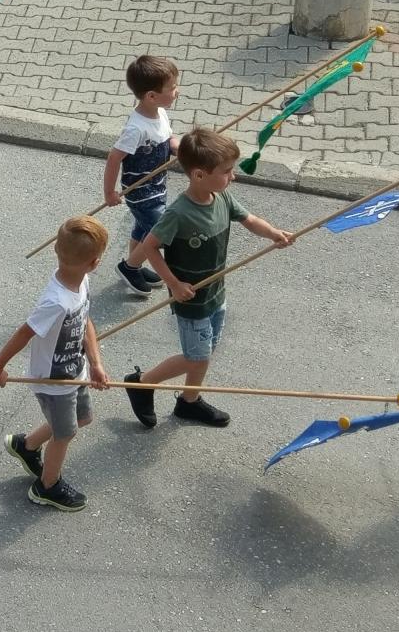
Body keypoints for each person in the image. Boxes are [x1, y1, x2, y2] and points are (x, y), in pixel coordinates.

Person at [120, 127, 292, 429]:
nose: (233, 176)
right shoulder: (179, 213)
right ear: (199, 175)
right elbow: (149, 248)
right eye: (226, 171)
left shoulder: (222, 197)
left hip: (215, 294)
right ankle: (142, 383)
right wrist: (174, 284)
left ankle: (189, 402)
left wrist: (273, 234)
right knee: (196, 357)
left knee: (204, 352)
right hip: (191, 300)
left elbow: (250, 220)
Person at [0, 216, 110, 512]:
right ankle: (47, 486)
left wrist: (95, 363)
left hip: (75, 372)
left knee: (81, 419)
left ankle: (26, 445)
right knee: (65, 434)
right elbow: (24, 333)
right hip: (53, 382)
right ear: (94, 262)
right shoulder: (55, 302)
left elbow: (85, 321)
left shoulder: (81, 283)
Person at [105, 53, 178, 296]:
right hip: (140, 192)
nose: (177, 91)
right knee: (160, 232)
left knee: (143, 229)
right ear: (151, 96)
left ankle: (134, 266)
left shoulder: (160, 113)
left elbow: (169, 139)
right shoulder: (135, 129)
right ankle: (130, 267)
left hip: (158, 185)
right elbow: (114, 157)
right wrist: (110, 193)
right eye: (172, 88)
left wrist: (181, 149)